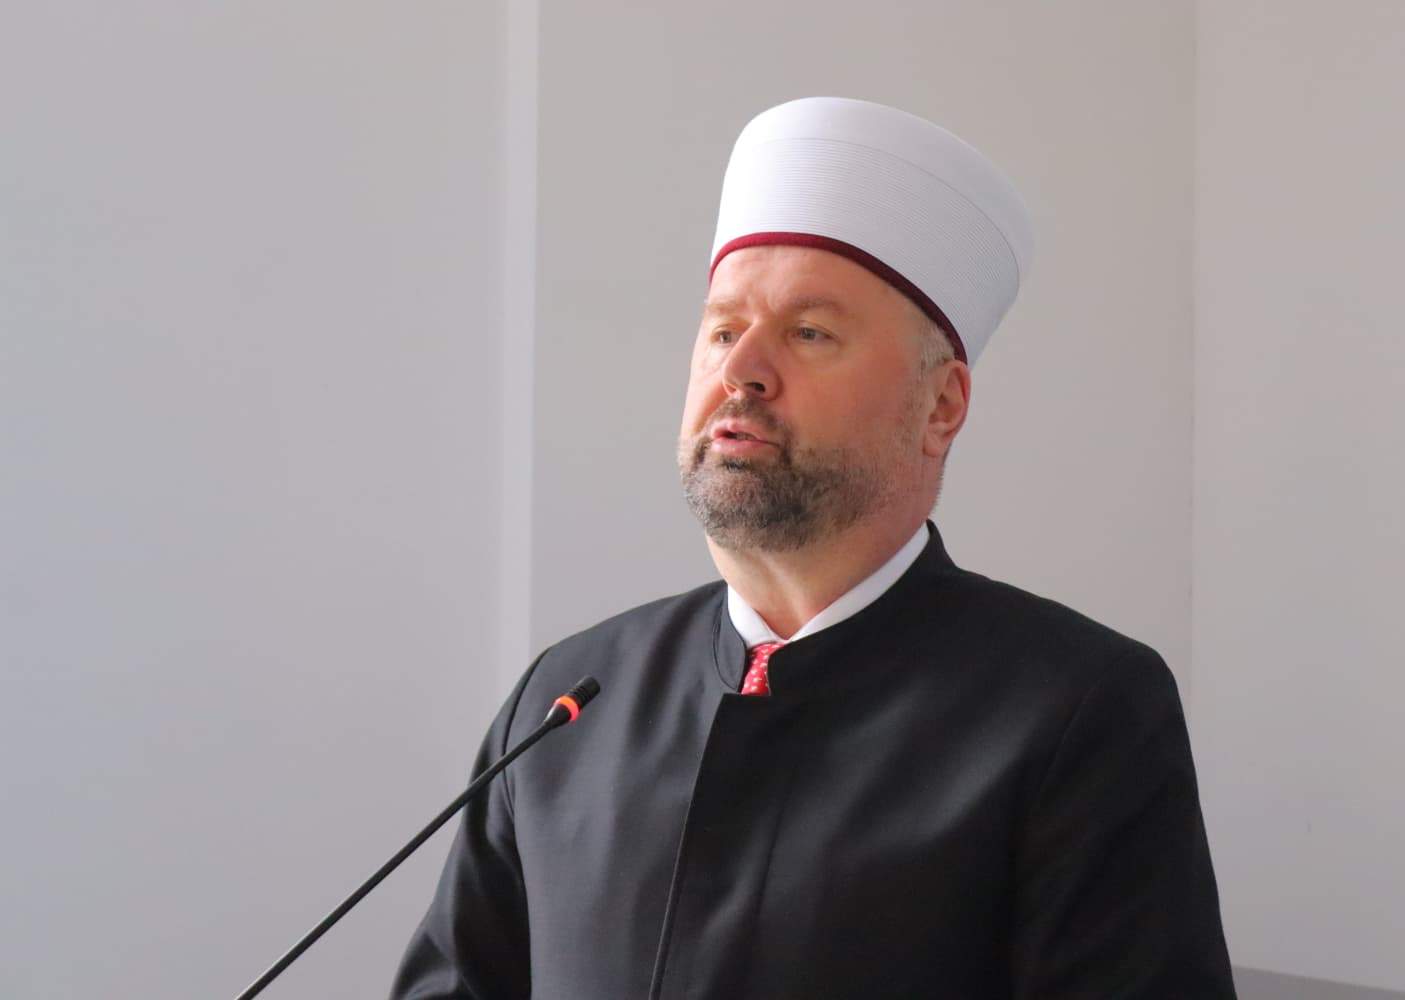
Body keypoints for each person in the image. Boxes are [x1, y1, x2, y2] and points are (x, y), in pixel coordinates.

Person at [391, 97, 1235, 999]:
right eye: (723, 330)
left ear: (940, 406)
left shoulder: (1077, 712)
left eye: (808, 332)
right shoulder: (569, 698)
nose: (740, 371)